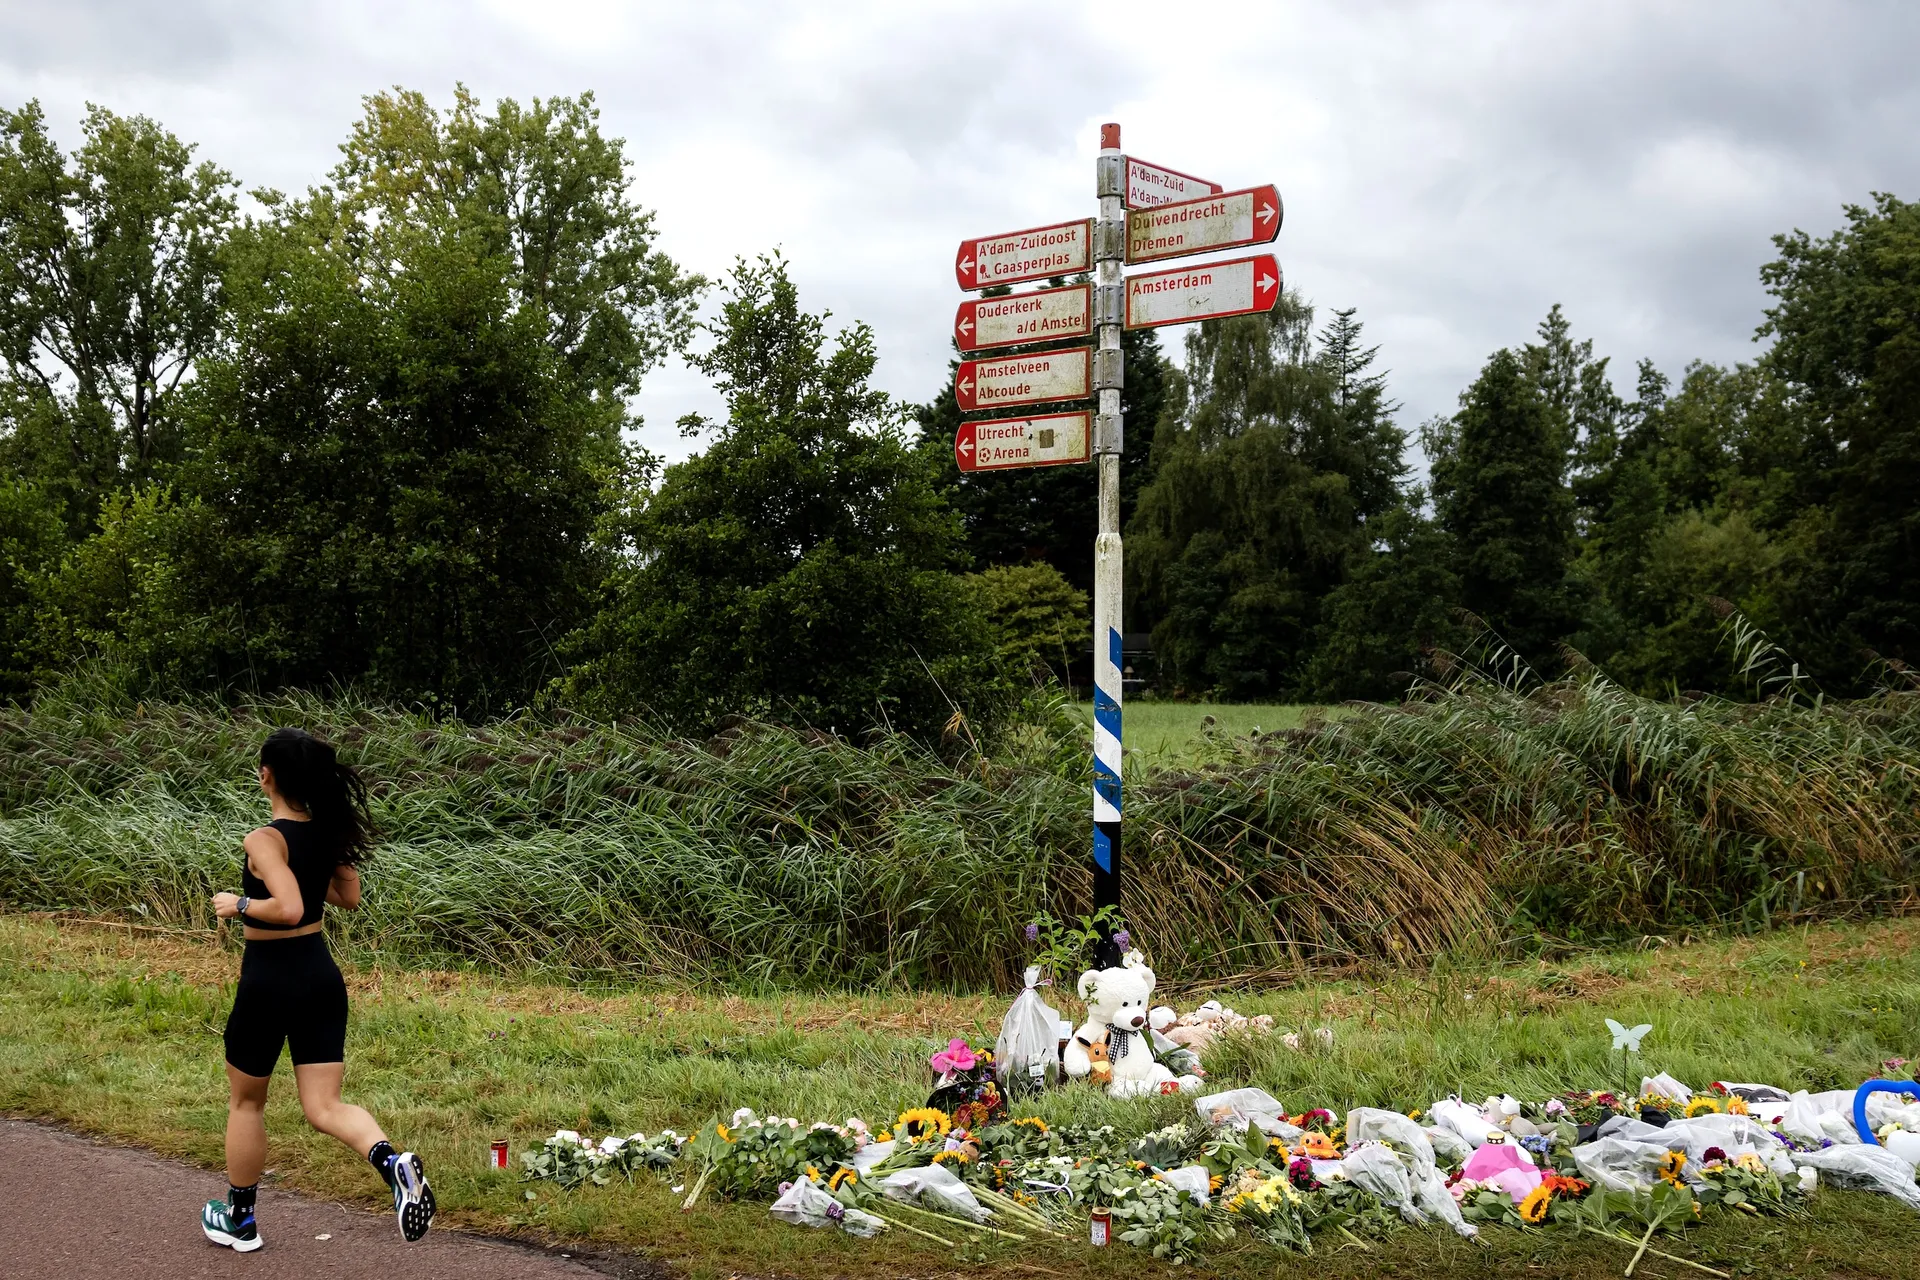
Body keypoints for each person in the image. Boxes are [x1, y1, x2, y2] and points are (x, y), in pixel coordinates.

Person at [200, 726, 434, 1253]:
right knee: (325, 1106)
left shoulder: (264, 839)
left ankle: (239, 1221)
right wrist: (306, 873)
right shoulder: (326, 833)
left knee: (247, 1102)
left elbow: (289, 909)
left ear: (267, 776)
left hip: (269, 979)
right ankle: (392, 1164)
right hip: (319, 976)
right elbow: (347, 897)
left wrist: (238, 903)